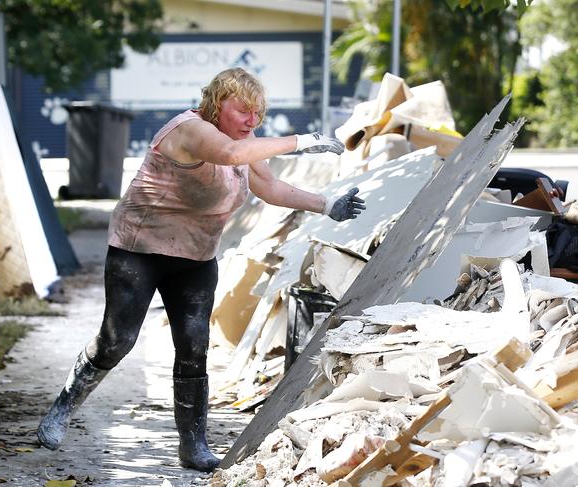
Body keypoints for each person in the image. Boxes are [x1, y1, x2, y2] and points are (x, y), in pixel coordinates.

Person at [37, 67, 366, 472]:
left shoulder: (245, 145)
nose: (251, 121)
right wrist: (300, 141)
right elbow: (227, 154)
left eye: (257, 113)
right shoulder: (190, 130)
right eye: (243, 110)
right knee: (117, 340)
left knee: (193, 348)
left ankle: (193, 445)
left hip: (194, 258)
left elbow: (272, 188)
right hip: (139, 250)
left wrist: (327, 204)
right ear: (217, 103)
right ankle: (63, 407)